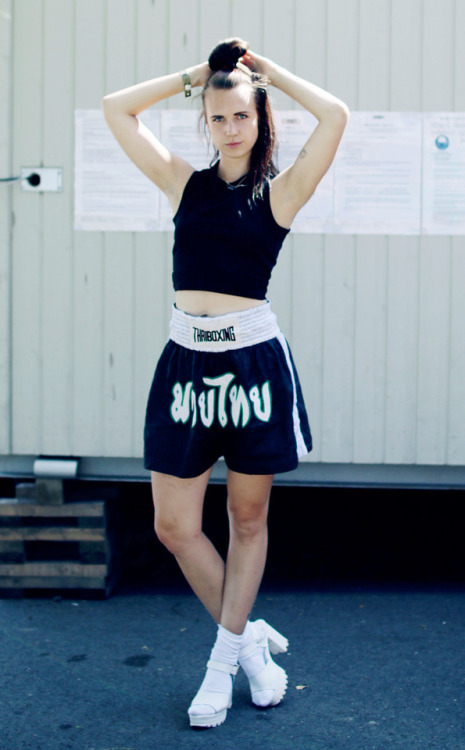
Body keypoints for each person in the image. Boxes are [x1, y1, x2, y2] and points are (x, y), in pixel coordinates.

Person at [102, 37, 348, 728]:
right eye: (217, 117)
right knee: (174, 525)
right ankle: (250, 646)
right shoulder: (186, 185)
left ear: (258, 118)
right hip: (186, 363)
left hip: (251, 367)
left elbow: (335, 117)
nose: (230, 127)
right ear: (205, 123)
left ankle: (219, 667)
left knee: (245, 519)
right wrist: (193, 76)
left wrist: (265, 72)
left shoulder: (281, 191)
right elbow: (114, 111)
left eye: (241, 115)